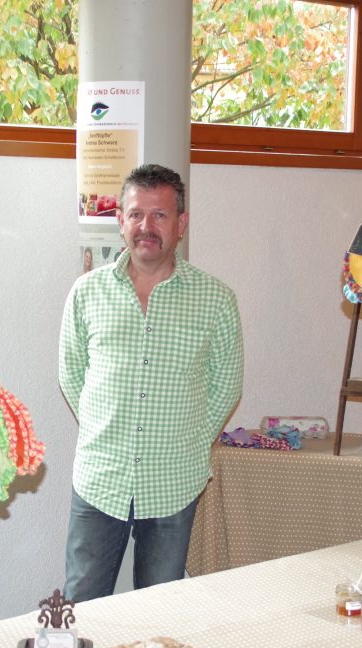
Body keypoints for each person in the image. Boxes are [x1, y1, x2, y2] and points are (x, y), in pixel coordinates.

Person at [59, 164, 243, 602]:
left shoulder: (216, 299)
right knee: (81, 602)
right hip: (100, 478)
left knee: (160, 612)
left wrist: (190, 444)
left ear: (181, 224)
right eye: (136, 214)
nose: (146, 227)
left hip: (173, 481)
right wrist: (103, 431)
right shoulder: (87, 293)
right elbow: (71, 374)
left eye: (159, 215)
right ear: (120, 221)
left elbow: (227, 385)